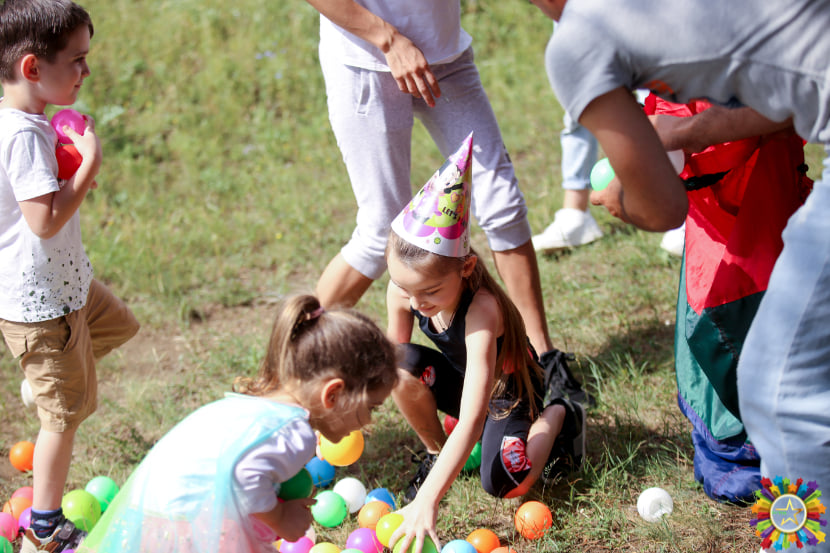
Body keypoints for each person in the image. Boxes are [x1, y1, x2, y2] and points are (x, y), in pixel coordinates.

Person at [529, 0, 830, 541]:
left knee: (780, 398)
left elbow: (665, 209)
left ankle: (801, 538)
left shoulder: (579, 41)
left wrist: (627, 189)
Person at [305, 0, 554, 356]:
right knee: (380, 233)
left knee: (504, 206)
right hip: (367, 62)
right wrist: (389, 41)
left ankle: (541, 357)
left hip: (446, 56)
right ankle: (293, 364)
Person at [384, 135, 585, 553]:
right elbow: (389, 363)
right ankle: (437, 454)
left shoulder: (483, 310)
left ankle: (561, 412)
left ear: (466, 268)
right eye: (405, 287)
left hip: (508, 393)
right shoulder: (403, 290)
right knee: (396, 367)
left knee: (506, 483)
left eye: (430, 293)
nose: (415, 302)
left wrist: (428, 501)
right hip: (466, 380)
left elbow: (474, 419)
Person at [76, 295, 398, 553]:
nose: (369, 420)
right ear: (334, 394)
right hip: (192, 521)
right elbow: (244, 478)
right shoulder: (294, 431)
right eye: (371, 407)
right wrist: (281, 517)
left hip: (155, 506)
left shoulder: (256, 408)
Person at [619, 94, 811, 503]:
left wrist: (674, 138)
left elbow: (788, 105)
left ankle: (796, 524)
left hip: (757, 264)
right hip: (729, 253)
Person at [0, 1, 140, 551]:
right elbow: (44, 219)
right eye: (77, 61)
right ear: (34, 68)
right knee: (65, 416)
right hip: (42, 304)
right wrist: (88, 166)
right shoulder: (25, 137)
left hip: (66, 287)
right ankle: (46, 525)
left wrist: (66, 172)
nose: (86, 72)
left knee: (118, 325)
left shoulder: (22, 123)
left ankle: (43, 378)